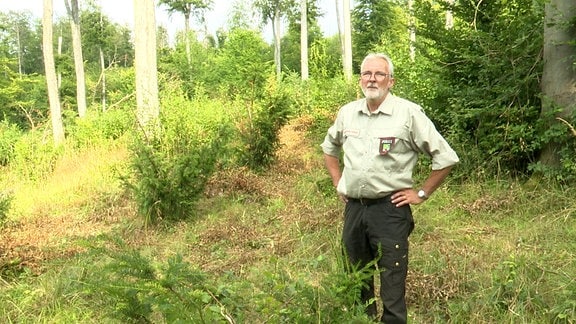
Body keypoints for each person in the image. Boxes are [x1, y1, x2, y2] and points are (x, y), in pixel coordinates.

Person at [320, 53, 459, 323]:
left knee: (392, 286)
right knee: (356, 281)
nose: (372, 79)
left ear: (391, 80)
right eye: (366, 73)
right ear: (359, 78)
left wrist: (421, 193)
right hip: (354, 211)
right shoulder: (348, 113)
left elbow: (446, 157)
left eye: (379, 74)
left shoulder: (408, 114)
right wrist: (339, 183)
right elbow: (329, 148)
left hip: (390, 211)